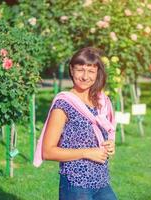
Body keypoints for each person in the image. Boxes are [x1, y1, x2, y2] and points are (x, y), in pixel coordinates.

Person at [34, 47, 118, 200]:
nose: (85, 77)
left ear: (98, 73)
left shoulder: (100, 101)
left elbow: (106, 134)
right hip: (75, 184)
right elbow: (48, 151)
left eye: (91, 71)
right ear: (72, 70)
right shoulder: (64, 104)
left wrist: (110, 144)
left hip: (101, 181)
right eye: (80, 70)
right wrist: (87, 152)